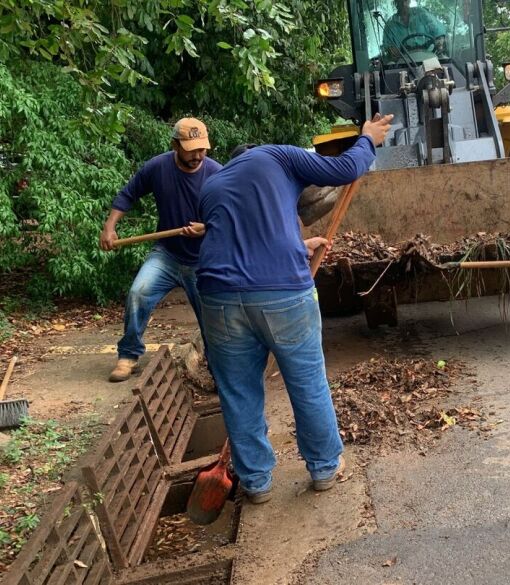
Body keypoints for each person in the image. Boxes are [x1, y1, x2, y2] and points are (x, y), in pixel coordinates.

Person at [195, 114, 394, 503]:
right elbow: (345, 169)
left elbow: (241, 237)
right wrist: (367, 139)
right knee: (306, 381)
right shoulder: (278, 156)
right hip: (282, 294)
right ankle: (322, 469)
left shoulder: (211, 184)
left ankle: (256, 484)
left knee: (238, 391)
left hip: (218, 297)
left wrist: (297, 246)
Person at [100, 118, 222, 382]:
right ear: (175, 145)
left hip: (204, 260)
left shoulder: (215, 173)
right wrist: (109, 227)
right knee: (138, 293)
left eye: (202, 148)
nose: (198, 155)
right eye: (192, 149)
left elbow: (232, 216)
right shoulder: (157, 167)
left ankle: (218, 369)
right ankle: (128, 355)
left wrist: (207, 226)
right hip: (167, 254)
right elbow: (127, 194)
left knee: (211, 318)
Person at [382, 0, 447, 62]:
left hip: (428, 56)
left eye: (405, 0)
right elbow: (389, 48)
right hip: (405, 61)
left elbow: (439, 32)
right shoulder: (390, 25)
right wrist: (393, 51)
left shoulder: (421, 13)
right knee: (391, 65)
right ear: (395, 3)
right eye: (401, 1)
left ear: (409, 1)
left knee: (445, 60)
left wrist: (439, 41)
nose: (404, 4)